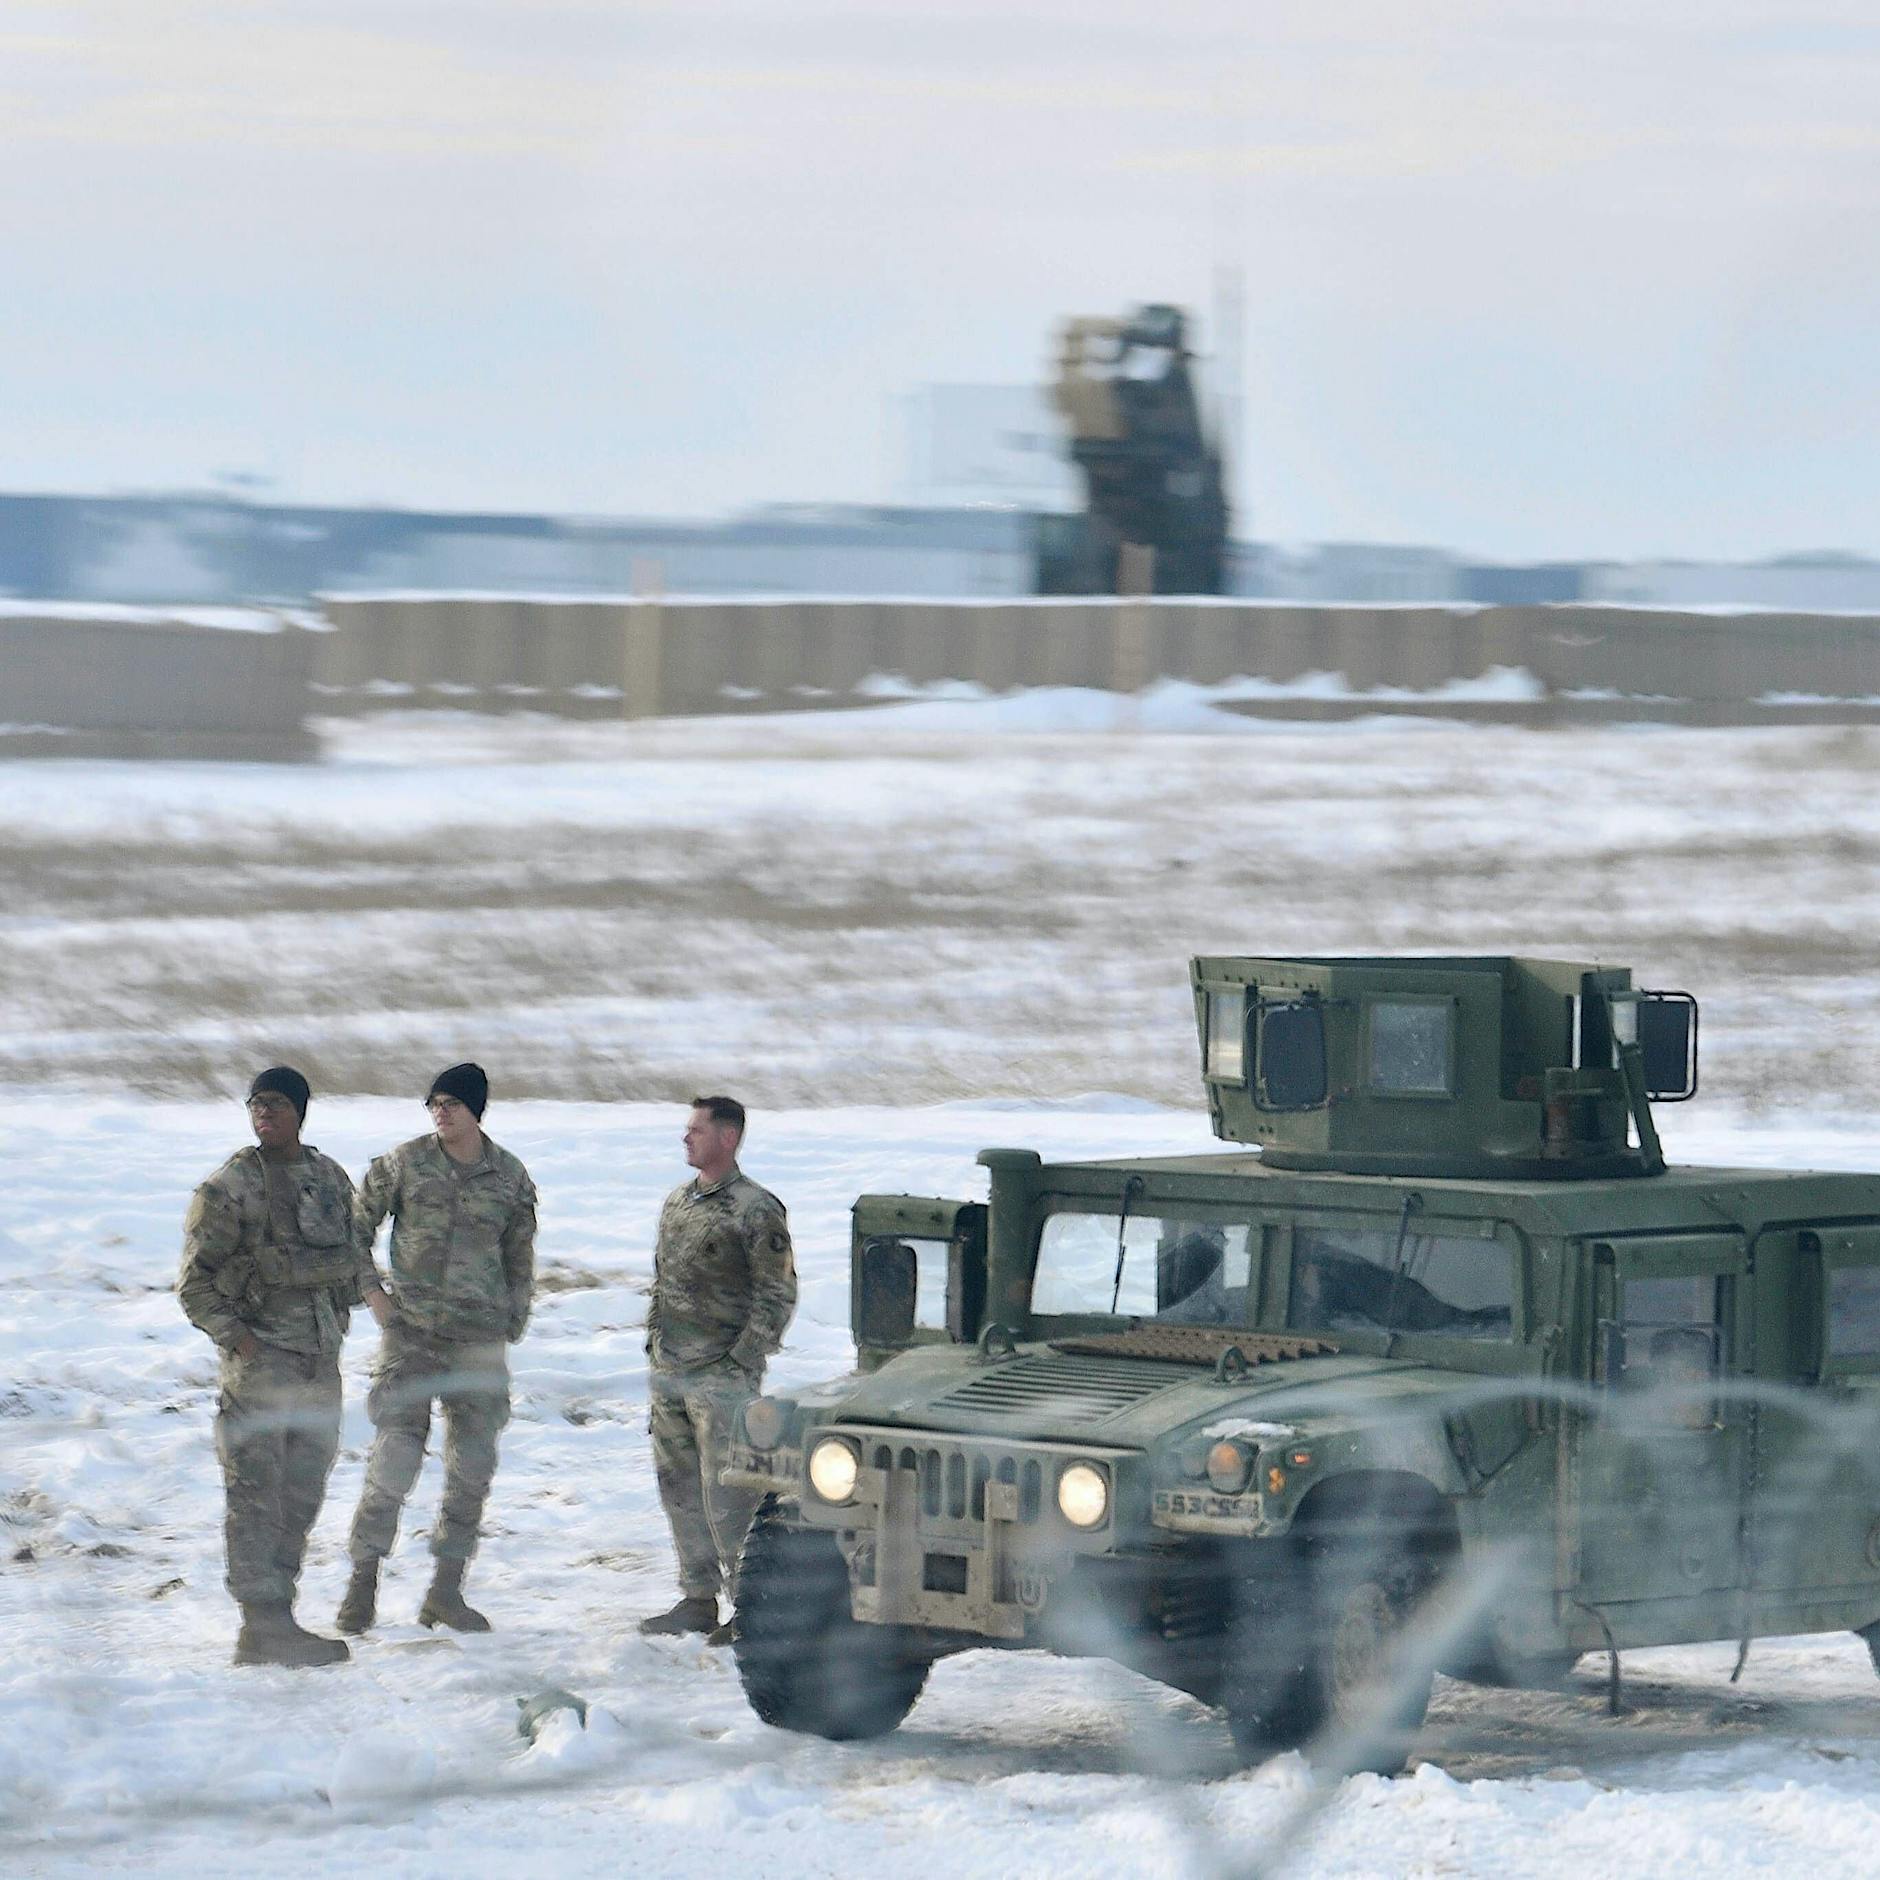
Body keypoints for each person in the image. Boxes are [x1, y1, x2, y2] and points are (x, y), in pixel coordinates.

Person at [335, 1063, 537, 1635]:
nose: (440, 1112)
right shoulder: (405, 1163)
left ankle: (446, 1592)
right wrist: (372, 1291)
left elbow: (520, 1254)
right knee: (395, 1459)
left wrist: (511, 1321)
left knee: (472, 1466)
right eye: (434, 1104)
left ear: (476, 1110)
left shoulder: (509, 1177)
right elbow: (352, 1229)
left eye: (451, 1103)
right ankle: (362, 1583)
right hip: (413, 1335)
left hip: (478, 1343)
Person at [178, 1066, 364, 1668]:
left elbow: (352, 1258)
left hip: (317, 1367)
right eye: (256, 1105)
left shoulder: (328, 1178)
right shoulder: (228, 1188)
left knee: (302, 1492)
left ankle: (279, 1615)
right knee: (256, 1494)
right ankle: (261, 1623)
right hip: (259, 1373)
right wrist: (240, 1340)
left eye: (277, 1104)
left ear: (301, 1111)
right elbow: (194, 1285)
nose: (265, 1115)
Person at [640, 1095, 797, 1644]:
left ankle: (750, 1608)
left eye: (697, 1130)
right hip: (672, 1371)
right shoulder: (678, 1203)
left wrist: (742, 1361)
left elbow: (777, 1294)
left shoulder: (756, 1209)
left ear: (727, 1139)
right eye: (687, 1130)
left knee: (730, 1493)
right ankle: (697, 1595)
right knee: (678, 1485)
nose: (686, 1138)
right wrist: (656, 1342)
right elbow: (664, 1281)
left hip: (721, 1376)